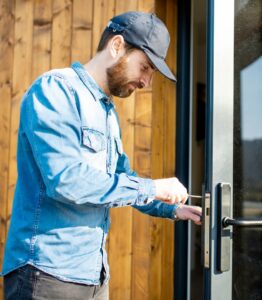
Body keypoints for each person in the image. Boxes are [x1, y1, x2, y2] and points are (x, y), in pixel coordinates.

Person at [1, 11, 202, 300]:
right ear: (117, 46)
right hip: (45, 276)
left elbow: (121, 180)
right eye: (145, 67)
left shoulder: (107, 112)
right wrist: (154, 188)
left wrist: (171, 208)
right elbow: (67, 180)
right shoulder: (56, 90)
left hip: (94, 276)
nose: (147, 82)